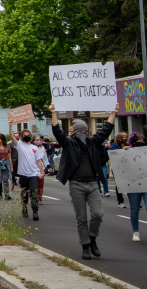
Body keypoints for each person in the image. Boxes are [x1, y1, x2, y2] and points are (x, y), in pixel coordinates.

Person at [51, 102, 117, 260]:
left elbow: (107, 129)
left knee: (98, 214)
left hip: (93, 184)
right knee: (81, 218)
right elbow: (58, 132)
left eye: (83, 130)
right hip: (76, 185)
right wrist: (54, 113)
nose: (82, 132)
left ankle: (92, 238)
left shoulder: (93, 142)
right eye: (80, 130)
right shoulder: (69, 143)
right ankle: (85, 246)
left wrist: (114, 112)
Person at [9, 123, 46, 221]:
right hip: (23, 175)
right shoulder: (19, 145)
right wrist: (10, 126)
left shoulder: (35, 148)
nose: (26, 137)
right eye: (24, 136)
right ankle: (24, 209)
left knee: (33, 193)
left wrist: (42, 171)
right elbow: (12, 137)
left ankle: (35, 211)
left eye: (27, 135)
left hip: (33, 174)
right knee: (24, 195)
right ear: (21, 137)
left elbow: (38, 161)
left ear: (30, 136)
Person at [126, 133, 147, 241]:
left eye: (143, 141)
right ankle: (136, 232)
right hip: (134, 185)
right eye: (139, 141)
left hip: (146, 184)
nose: (141, 143)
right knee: (134, 209)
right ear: (134, 142)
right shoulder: (127, 153)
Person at [108, 133, 128, 207]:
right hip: (117, 167)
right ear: (119, 138)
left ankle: (135, 202)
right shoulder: (114, 146)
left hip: (126, 167)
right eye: (123, 137)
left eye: (126, 137)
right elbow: (110, 154)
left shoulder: (127, 145)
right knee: (119, 184)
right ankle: (120, 202)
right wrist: (121, 150)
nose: (125, 138)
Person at [0, 133, 13, 200]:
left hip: (5, 163)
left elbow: (9, 157)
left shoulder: (7, 146)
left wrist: (11, 167)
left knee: (5, 179)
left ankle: (7, 194)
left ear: (2, 139)